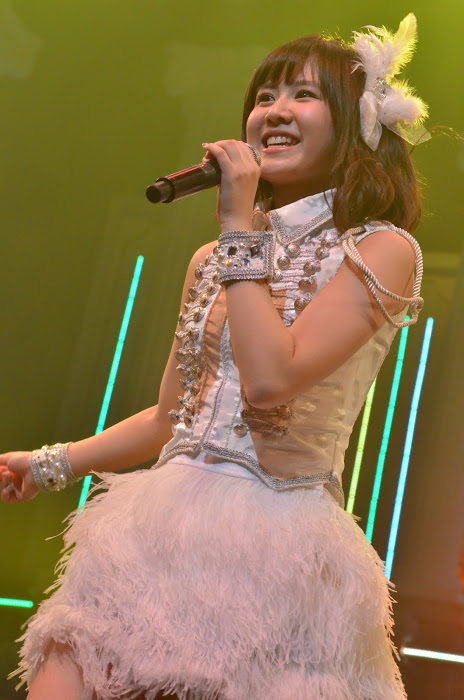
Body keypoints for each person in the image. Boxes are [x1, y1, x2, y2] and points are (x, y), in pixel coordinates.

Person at [0, 13, 429, 700]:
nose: (274, 111)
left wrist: (237, 226)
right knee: (68, 661)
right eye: (264, 97)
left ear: (356, 125)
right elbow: (172, 417)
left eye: (303, 95)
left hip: (278, 544)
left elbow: (271, 379)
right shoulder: (213, 259)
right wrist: (50, 463)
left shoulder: (381, 249)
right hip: (156, 528)